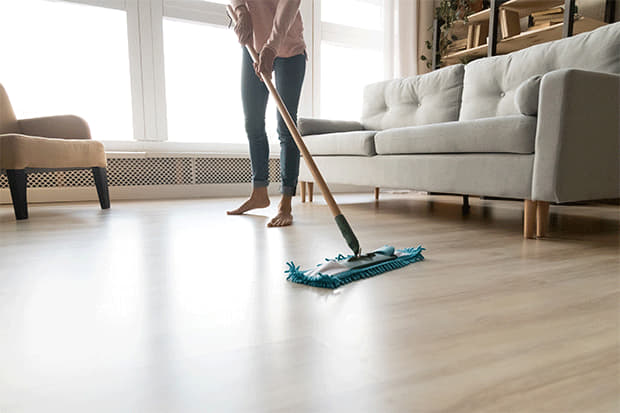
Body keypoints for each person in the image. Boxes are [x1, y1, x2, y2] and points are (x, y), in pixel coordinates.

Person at [226, 0, 306, 227]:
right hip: (254, 46)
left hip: (289, 50)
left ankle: (286, 203)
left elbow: (288, 8)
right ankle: (259, 192)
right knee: (252, 121)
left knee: (286, 126)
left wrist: (271, 47)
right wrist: (241, 11)